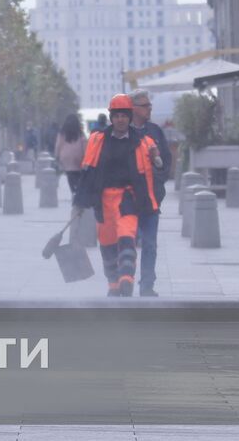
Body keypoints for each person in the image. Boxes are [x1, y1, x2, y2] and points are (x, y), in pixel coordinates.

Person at [72, 93, 162, 297]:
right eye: (117, 115)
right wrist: (80, 201)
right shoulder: (98, 140)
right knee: (107, 244)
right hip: (103, 200)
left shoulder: (142, 141)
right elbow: (88, 168)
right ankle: (113, 283)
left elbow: (156, 154)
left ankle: (126, 278)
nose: (120, 119)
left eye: (124, 115)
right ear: (111, 117)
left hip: (128, 198)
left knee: (126, 236)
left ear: (129, 117)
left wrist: (157, 160)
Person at [130, 89, 170, 297]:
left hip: (151, 200)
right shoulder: (122, 131)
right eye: (146, 106)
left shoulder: (155, 131)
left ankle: (147, 284)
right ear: (134, 109)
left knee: (150, 244)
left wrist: (158, 178)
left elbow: (166, 161)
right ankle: (123, 282)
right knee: (127, 246)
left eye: (150, 105)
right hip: (127, 201)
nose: (150, 109)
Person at [54, 113, 87, 194]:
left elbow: (58, 145)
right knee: (78, 174)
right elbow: (85, 145)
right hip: (78, 156)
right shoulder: (80, 133)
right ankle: (77, 189)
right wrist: (86, 156)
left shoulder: (62, 133)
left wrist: (57, 156)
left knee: (70, 174)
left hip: (65, 156)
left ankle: (73, 190)